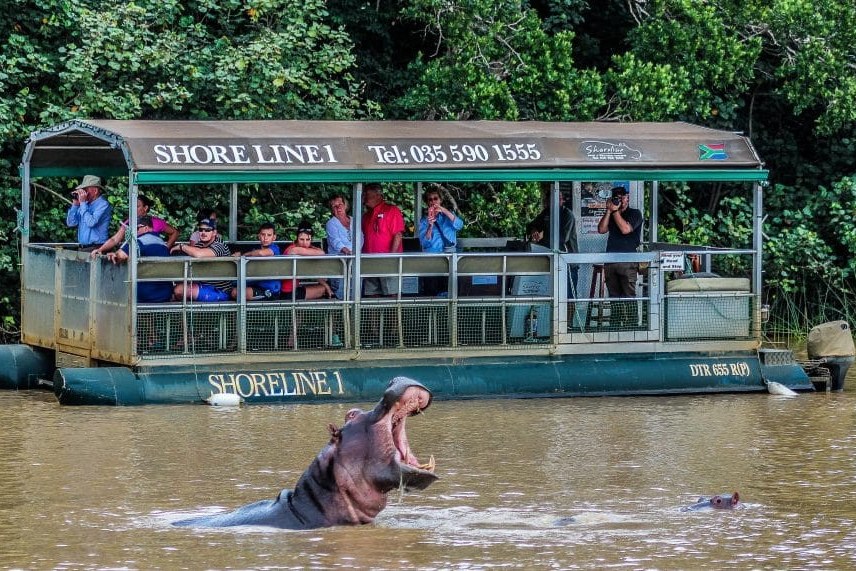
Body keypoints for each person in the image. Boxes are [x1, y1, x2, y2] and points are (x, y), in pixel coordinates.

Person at [597, 186, 644, 326]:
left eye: (622, 197)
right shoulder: (612, 213)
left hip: (628, 261)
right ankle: (615, 325)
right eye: (617, 198)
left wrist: (615, 211)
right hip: (611, 260)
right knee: (614, 296)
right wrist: (608, 211)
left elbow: (625, 229)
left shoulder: (635, 213)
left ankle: (632, 326)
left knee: (629, 295)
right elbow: (601, 229)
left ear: (627, 198)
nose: (620, 200)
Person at [104, 215, 173, 303]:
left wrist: (114, 254)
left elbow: (120, 256)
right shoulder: (162, 243)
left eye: (136, 229)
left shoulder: (140, 241)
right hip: (165, 295)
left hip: (143, 296)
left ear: (146, 228)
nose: (133, 232)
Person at [91, 194, 179, 258]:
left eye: (137, 206)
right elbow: (115, 239)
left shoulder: (157, 222)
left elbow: (175, 232)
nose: (133, 209)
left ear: (145, 208)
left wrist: (166, 247)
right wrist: (100, 249)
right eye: (132, 206)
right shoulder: (129, 222)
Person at [170, 217, 233, 302]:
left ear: (214, 232)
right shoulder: (199, 245)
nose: (203, 232)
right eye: (201, 230)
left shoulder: (219, 245)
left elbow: (199, 254)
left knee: (179, 290)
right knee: (173, 289)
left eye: (207, 230)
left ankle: (190, 308)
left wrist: (181, 246)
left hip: (219, 291)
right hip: (202, 285)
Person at [417, 188, 464, 296]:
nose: (433, 201)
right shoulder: (424, 221)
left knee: (450, 290)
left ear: (440, 200)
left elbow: (459, 225)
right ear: (427, 202)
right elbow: (424, 242)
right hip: (432, 260)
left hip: (449, 258)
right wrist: (430, 225)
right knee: (432, 291)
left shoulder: (448, 216)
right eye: (430, 199)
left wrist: (443, 210)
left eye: (435, 198)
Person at [361, 183, 405, 296]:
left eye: (367, 195)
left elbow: (398, 235)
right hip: (369, 261)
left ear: (378, 195)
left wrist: (391, 257)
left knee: (392, 295)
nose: (364, 198)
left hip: (387, 261)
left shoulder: (391, 210)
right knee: (371, 296)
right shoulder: (366, 216)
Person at [281, 222, 333, 300]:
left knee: (324, 285)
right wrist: (326, 286)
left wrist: (326, 285)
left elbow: (310, 271)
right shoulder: (294, 250)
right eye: (301, 239)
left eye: (308, 239)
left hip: (293, 290)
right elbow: (321, 253)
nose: (304, 243)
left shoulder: (300, 250)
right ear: (296, 238)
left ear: (311, 239)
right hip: (288, 293)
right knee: (323, 289)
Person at [231, 222, 281, 301]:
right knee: (233, 290)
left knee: (237, 292)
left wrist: (243, 255)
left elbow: (261, 253)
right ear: (259, 236)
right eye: (263, 234)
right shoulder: (255, 249)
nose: (265, 238)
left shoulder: (275, 248)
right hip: (255, 284)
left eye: (269, 235)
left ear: (274, 237)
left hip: (270, 289)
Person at [66, 174, 112, 251]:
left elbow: (91, 223)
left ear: (95, 191)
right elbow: (71, 223)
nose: (83, 192)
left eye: (85, 190)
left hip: (97, 248)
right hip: (82, 247)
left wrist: (82, 203)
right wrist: (75, 205)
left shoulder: (103, 204)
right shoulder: (84, 204)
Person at [325, 194, 353, 300]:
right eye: (334, 206)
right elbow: (336, 242)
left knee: (355, 289)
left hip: (354, 260)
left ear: (345, 205)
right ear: (332, 210)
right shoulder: (331, 223)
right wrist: (349, 252)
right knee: (340, 292)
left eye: (340, 204)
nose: (338, 207)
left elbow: (361, 238)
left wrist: (356, 253)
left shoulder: (354, 220)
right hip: (339, 263)